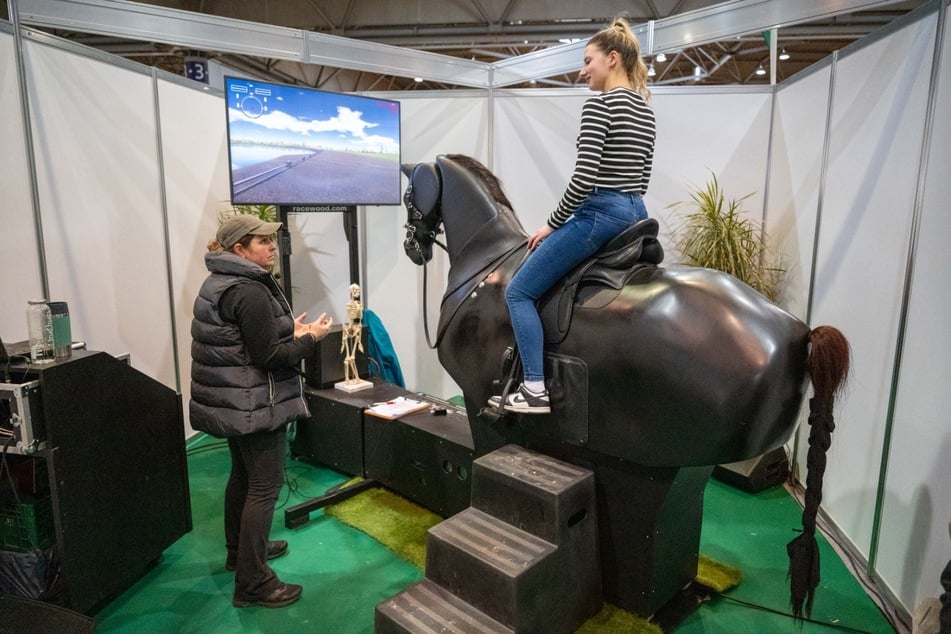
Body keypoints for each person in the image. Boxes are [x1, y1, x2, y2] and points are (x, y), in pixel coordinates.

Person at [489, 16, 655, 414]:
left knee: (519, 292)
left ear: (612, 59)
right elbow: (643, 176)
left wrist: (553, 222)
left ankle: (533, 389)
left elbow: (583, 182)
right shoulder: (646, 111)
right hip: (636, 213)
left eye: (588, 61)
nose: (582, 72)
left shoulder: (599, 105)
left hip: (602, 213)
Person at [189, 214, 333, 608]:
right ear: (240, 249)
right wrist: (311, 339)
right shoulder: (248, 291)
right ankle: (253, 584)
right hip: (255, 404)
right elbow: (269, 356)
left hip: (234, 404)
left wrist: (289, 330)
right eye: (262, 242)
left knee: (242, 475)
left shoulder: (218, 281)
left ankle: (241, 553)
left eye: (271, 241)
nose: (272, 248)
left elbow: (245, 342)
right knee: (264, 487)